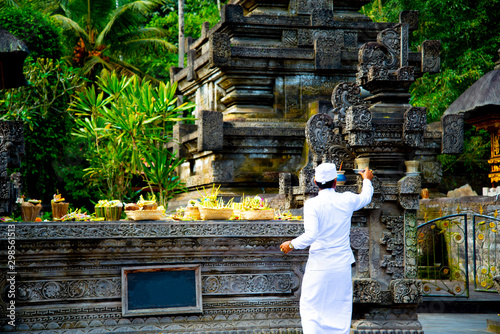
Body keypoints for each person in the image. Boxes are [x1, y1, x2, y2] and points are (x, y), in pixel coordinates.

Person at [280, 162, 374, 334]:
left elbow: (311, 235)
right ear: (335, 182)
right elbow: (366, 197)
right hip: (341, 265)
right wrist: (366, 180)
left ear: (315, 182)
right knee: (339, 308)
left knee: (311, 307)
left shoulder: (312, 204)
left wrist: (291, 244)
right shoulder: (346, 199)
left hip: (319, 265)